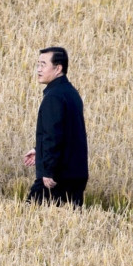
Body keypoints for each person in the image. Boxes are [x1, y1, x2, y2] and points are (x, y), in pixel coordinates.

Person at [24, 47, 88, 206]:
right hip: (75, 175)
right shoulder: (71, 93)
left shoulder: (54, 96)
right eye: (38, 64)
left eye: (43, 65)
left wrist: (48, 171)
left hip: (56, 178)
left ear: (58, 68)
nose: (38, 69)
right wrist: (39, 149)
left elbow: (53, 136)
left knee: (31, 217)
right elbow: (67, 134)